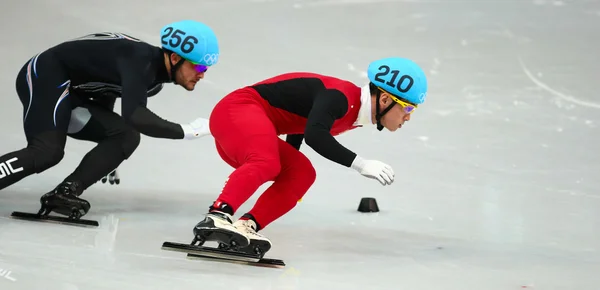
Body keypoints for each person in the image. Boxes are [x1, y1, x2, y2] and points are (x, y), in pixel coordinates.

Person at [192, 57, 428, 255]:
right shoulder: (341, 97)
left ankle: (246, 226)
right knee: (267, 161)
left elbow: (299, 124)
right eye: (408, 108)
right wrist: (360, 164)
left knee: (302, 173)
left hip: (248, 127)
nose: (408, 117)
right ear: (386, 99)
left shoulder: (355, 112)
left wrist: (284, 173)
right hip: (236, 111)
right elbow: (315, 135)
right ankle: (218, 215)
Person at [0, 20, 218, 219]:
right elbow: (136, 116)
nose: (202, 74)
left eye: (206, 69)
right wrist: (188, 131)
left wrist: (105, 158)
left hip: (73, 90)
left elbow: (106, 91)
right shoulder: (140, 59)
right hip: (45, 74)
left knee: (125, 136)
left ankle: (66, 192)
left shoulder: (153, 80)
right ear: (175, 57)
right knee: (46, 152)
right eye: (198, 66)